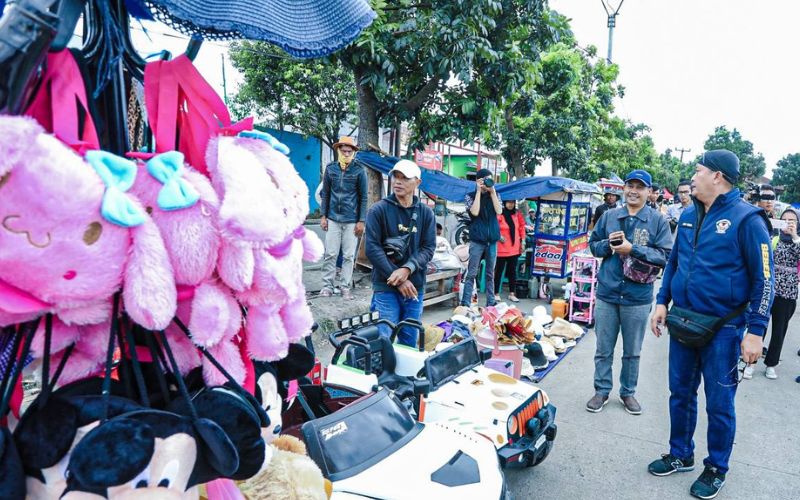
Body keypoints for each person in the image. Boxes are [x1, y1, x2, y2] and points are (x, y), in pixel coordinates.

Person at [648, 150, 774, 500]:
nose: (693, 175)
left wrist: (756, 330)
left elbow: (765, 280)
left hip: (725, 329)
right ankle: (680, 453)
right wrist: (662, 301)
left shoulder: (748, 220)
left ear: (717, 177)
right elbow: (674, 261)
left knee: (719, 404)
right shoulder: (688, 214)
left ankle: (716, 466)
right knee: (680, 394)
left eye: (698, 169)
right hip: (684, 322)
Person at [586, 169, 672, 416]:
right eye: (630, 185)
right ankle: (601, 390)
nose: (633, 190)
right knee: (603, 348)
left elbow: (665, 256)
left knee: (632, 351)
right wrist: (610, 247)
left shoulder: (657, 221)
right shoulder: (610, 216)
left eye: (640, 186)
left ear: (648, 192)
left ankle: (628, 392)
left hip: (638, 296)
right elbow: (593, 245)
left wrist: (632, 249)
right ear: (623, 189)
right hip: (608, 293)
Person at [365, 159, 435, 347]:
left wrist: (407, 269)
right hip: (385, 286)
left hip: (414, 287)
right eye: (396, 176)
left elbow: (428, 248)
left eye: (405, 178)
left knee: (409, 340)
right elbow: (372, 248)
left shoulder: (426, 214)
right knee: (383, 339)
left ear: (417, 183)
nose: (398, 182)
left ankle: (404, 377)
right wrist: (398, 278)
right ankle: (380, 375)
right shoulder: (378, 210)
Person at [751, 208, 800, 380]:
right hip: (769, 289)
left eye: (792, 220)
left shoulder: (798, 241)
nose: (788, 223)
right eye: (785, 219)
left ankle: (771, 364)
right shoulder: (774, 238)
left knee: (779, 330)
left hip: (788, 292)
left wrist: (795, 237)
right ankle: (750, 362)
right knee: (760, 325)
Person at [319, 136, 368, 299]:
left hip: (351, 220)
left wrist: (361, 220)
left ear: (353, 152)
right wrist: (323, 216)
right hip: (333, 218)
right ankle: (327, 286)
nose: (346, 154)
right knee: (331, 254)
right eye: (343, 151)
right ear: (338, 151)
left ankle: (345, 286)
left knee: (348, 256)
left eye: (349, 151)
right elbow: (325, 194)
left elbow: (363, 197)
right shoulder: (330, 168)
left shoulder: (359, 170)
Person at [460, 168, 502, 307]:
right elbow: (475, 212)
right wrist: (478, 191)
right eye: (484, 179)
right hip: (477, 240)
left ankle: (491, 302)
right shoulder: (470, 196)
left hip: (492, 241)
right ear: (478, 181)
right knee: (471, 273)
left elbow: (499, 211)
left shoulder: (495, 195)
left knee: (490, 274)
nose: (487, 182)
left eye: (489, 179)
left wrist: (493, 192)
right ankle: (465, 303)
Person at [495, 200, 526, 303]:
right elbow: (494, 227)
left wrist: (523, 241)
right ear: (504, 203)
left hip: (514, 248)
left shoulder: (517, 214)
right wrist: (498, 235)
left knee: (512, 272)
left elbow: (521, 228)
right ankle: (496, 293)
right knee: (499, 271)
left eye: (512, 202)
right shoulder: (499, 214)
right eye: (508, 202)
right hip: (501, 248)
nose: (510, 204)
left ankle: (512, 293)